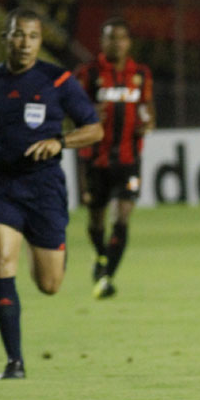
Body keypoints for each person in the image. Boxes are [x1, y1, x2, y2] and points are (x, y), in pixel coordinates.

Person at [0, 8, 103, 379]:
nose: (25, 43)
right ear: (6, 38)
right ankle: (14, 361)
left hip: (45, 189)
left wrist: (59, 141)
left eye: (33, 37)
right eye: (18, 35)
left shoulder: (57, 79)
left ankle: (53, 250)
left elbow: (93, 129)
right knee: (1, 259)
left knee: (49, 285)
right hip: (1, 187)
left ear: (39, 40)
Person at [74, 17, 155, 299]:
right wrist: (86, 116)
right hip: (95, 161)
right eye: (110, 38)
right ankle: (101, 256)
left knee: (121, 218)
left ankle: (106, 275)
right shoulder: (88, 74)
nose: (116, 43)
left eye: (121, 38)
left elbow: (147, 109)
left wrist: (148, 122)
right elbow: (72, 114)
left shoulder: (141, 74)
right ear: (102, 41)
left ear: (128, 42)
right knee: (96, 221)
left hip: (129, 159)